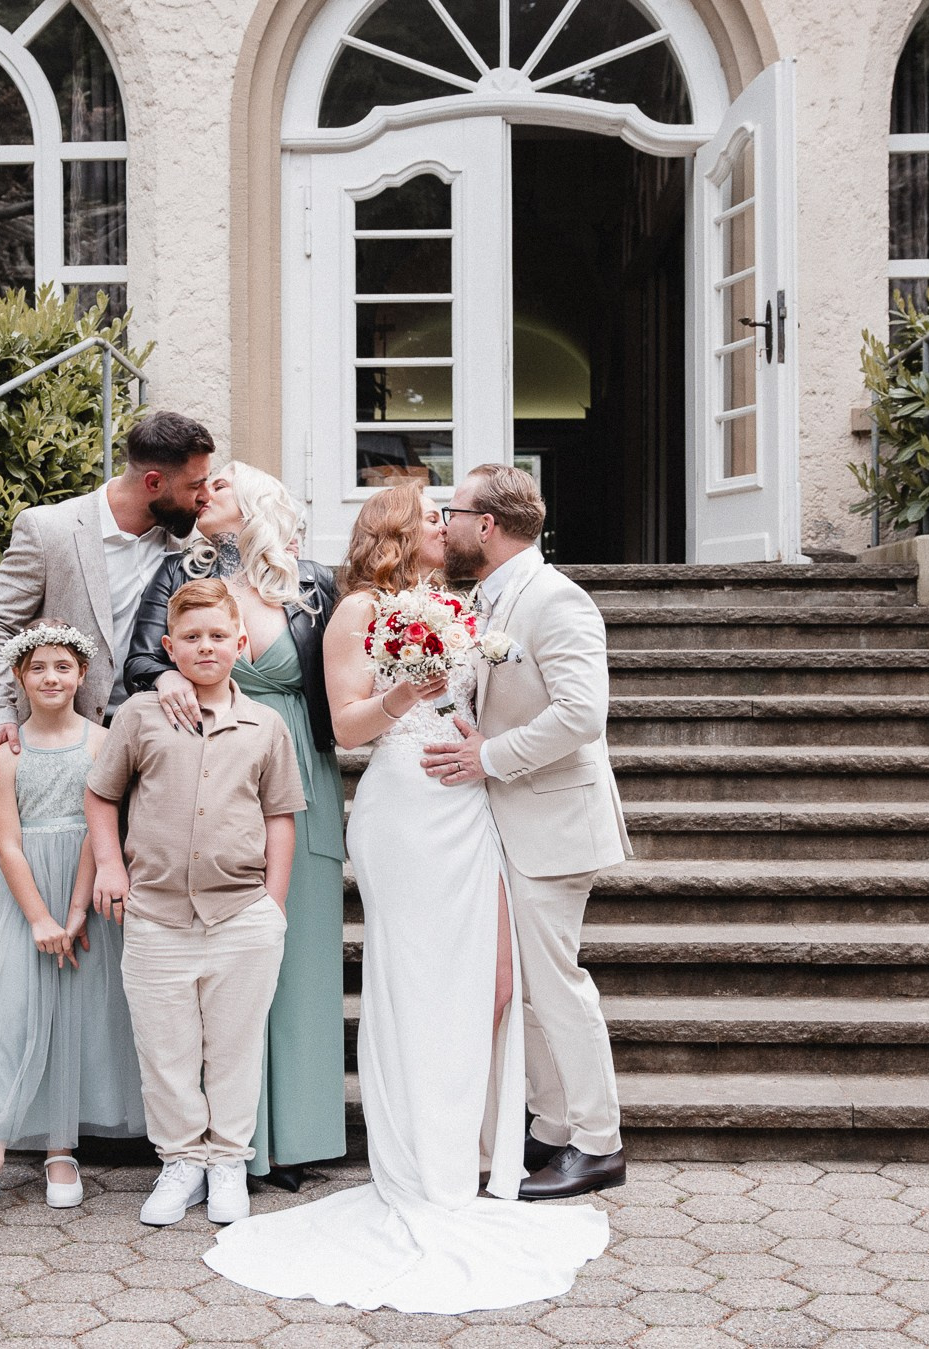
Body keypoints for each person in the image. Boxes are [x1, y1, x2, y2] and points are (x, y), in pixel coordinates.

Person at [202, 483, 609, 1314]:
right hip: (407, 805)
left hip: (473, 805)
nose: (447, 526)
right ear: (395, 531)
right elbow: (347, 727)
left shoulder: (463, 604)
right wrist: (406, 691)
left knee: (493, 980)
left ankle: (474, 1150)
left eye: (451, 516)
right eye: (433, 516)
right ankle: (422, 1162)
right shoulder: (357, 611)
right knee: (416, 979)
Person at [123, 462, 344, 1193]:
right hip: (208, 767)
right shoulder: (176, 575)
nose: (201, 495)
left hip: (296, 769)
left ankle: (296, 1134)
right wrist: (164, 676)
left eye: (219, 488)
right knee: (223, 965)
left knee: (296, 953)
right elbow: (142, 658)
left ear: (256, 505)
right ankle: (223, 1150)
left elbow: (340, 678)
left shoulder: (311, 583)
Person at [423, 463, 632, 1200]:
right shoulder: (487, 599)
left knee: (558, 986)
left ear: (486, 525)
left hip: (553, 820)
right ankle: (551, 1125)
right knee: (533, 992)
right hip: (508, 823)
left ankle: (599, 1142)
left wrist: (489, 756)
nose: (441, 524)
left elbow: (582, 715)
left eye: (449, 511)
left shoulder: (556, 601)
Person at [84, 579, 306, 1228]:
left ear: (240, 644)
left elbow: (280, 816)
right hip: (155, 916)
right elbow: (102, 796)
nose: (205, 646)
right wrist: (110, 866)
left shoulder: (265, 726)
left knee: (235, 1047)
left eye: (218, 636)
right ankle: (181, 1160)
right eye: (192, 637)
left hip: (242, 916)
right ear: (168, 646)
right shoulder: (139, 717)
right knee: (167, 1050)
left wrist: (274, 905)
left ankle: (229, 1160)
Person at [0, 620, 146, 1219]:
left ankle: (62, 1151)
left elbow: (98, 829)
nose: (51, 677)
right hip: (23, 895)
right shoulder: (6, 752)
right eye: (37, 668)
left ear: (82, 675)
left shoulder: (102, 743)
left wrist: (77, 909)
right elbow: (7, 843)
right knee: (16, 1014)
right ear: (19, 678)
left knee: (75, 1013)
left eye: (62, 667)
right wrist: (38, 918)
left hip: (85, 893)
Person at [0, 410, 215, 789]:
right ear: (153, 482)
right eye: (195, 485)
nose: (206, 496)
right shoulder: (48, 530)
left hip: (163, 732)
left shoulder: (190, 543)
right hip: (67, 736)